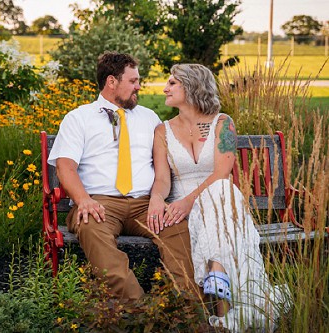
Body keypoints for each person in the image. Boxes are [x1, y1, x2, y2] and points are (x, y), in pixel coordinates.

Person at [148, 63, 291, 331]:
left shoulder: (222, 123)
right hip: (184, 210)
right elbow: (163, 180)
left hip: (216, 202)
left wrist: (188, 201)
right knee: (222, 201)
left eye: (172, 83)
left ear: (191, 87)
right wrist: (157, 198)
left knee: (221, 191)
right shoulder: (162, 131)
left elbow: (222, 173)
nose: (165, 88)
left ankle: (218, 280)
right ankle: (221, 288)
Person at [48, 52, 200, 301]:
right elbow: (65, 166)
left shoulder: (150, 118)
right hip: (100, 204)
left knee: (177, 231)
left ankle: (188, 312)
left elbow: (164, 167)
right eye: (133, 81)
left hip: (144, 205)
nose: (139, 86)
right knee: (92, 228)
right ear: (111, 82)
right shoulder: (79, 118)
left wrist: (158, 199)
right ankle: (136, 310)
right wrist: (83, 200)